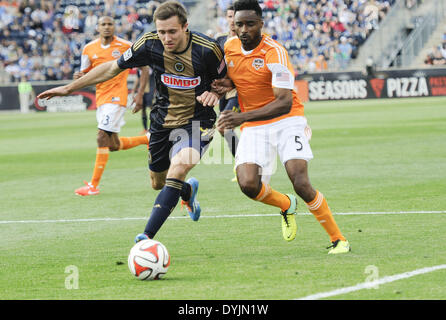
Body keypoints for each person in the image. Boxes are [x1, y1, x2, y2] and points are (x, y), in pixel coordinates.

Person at [37, 1, 226, 241]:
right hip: (162, 121)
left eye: (172, 31)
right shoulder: (148, 43)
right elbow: (111, 68)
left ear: (185, 26)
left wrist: (217, 93)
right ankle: (186, 190)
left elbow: (229, 80)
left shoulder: (207, 49)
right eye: (162, 31)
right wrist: (69, 88)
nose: (166, 37)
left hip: (198, 122)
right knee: (159, 183)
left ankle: (146, 238)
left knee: (178, 168)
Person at [214, 0, 350, 254]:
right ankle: (286, 204)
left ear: (261, 25)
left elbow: (284, 102)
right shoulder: (229, 48)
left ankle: (338, 239)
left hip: (288, 120)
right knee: (248, 185)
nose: (244, 30)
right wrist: (227, 85)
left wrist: (242, 118)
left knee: (299, 180)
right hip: (255, 125)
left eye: (250, 24)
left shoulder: (275, 52)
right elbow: (243, 78)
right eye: (239, 24)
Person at [70, 16, 150, 196]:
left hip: (117, 98)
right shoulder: (88, 49)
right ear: (97, 27)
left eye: (110, 24)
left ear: (114, 26)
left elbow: (144, 67)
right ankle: (147, 139)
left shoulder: (125, 45)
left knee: (101, 137)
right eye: (103, 24)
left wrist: (139, 94)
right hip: (101, 99)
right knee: (112, 144)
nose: (106, 27)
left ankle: (93, 186)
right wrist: (79, 78)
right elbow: (86, 74)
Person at [215, 5, 240, 170]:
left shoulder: (245, 40)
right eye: (229, 16)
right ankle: (244, 164)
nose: (232, 20)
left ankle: (243, 165)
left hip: (240, 91)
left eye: (234, 16)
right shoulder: (219, 40)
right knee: (224, 129)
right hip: (223, 92)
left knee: (224, 126)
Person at [133, 66, 156, 134]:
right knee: (142, 109)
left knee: (152, 107)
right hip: (142, 92)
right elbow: (138, 79)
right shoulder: (139, 69)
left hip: (150, 91)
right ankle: (145, 129)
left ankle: (155, 126)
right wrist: (133, 90)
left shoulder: (151, 66)